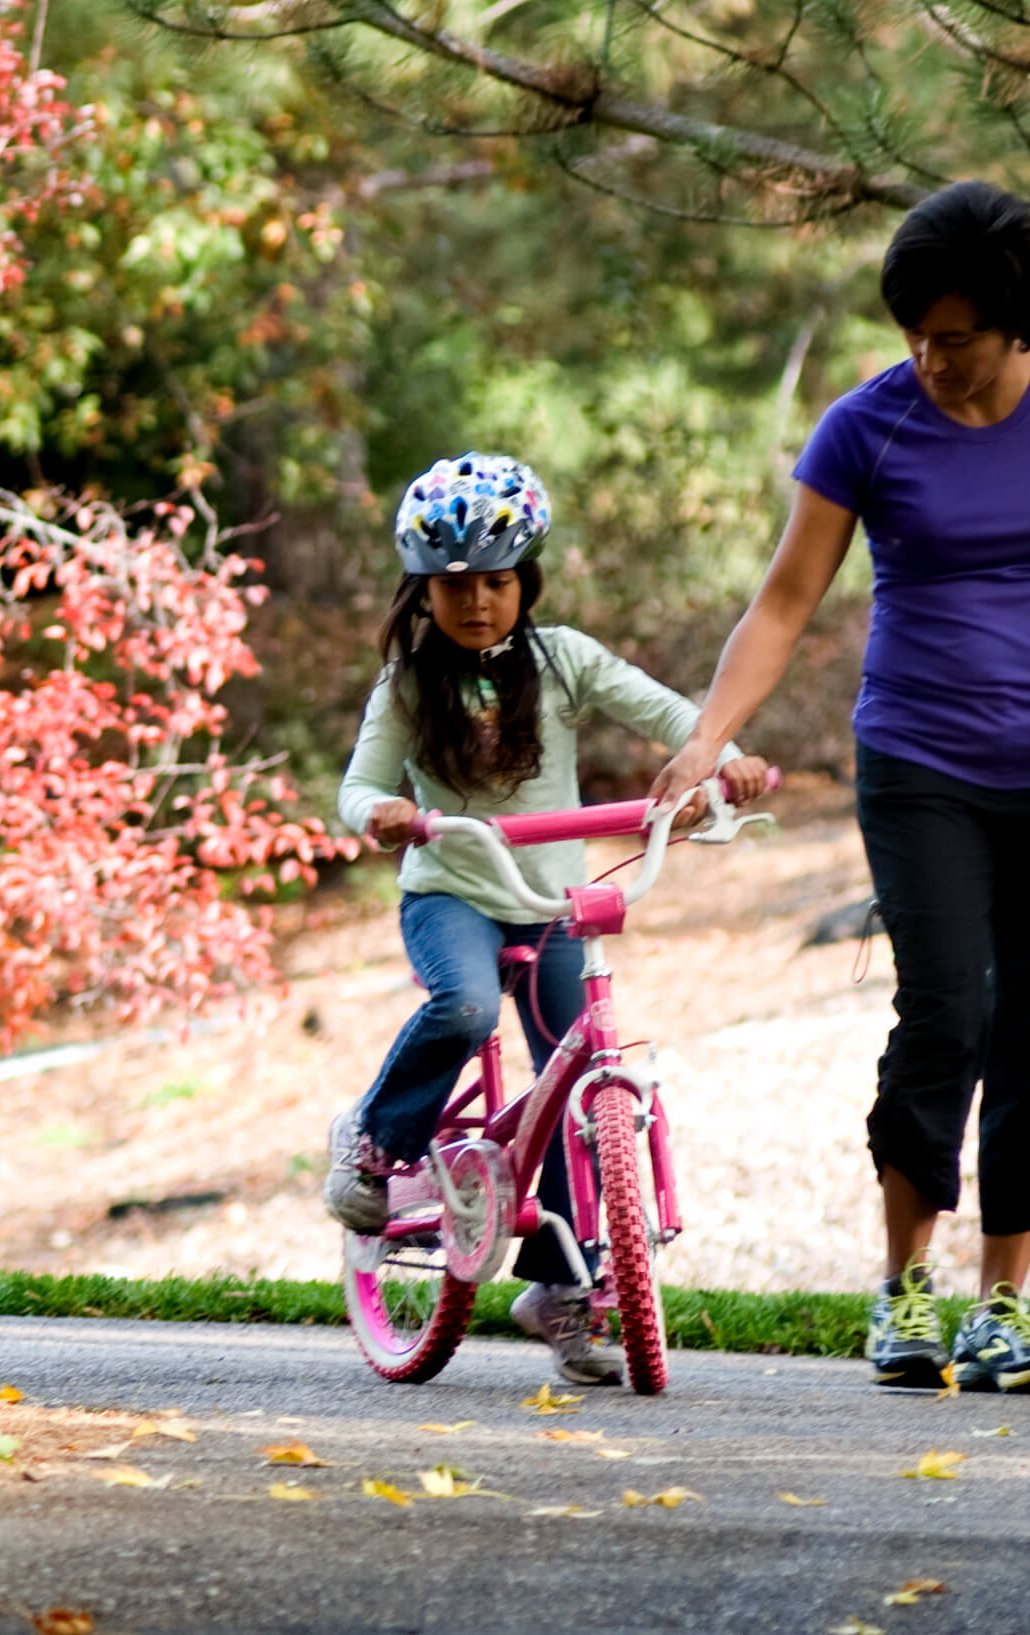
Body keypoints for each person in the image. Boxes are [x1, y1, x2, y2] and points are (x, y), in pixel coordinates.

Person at [645, 181, 1030, 1396]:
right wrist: (702, 737)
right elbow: (784, 600)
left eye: (954, 338)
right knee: (948, 1007)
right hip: (921, 760)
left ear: (1020, 328)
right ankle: (902, 1293)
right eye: (913, 335)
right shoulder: (865, 424)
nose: (927, 358)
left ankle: (1004, 1306)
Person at [324, 453, 774, 1386]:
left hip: (556, 901)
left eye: (497, 581)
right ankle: (373, 1141)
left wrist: (716, 751)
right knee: (465, 1009)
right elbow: (360, 781)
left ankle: (559, 1288)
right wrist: (380, 813)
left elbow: (661, 709)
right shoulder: (409, 682)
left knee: (578, 1075)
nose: (478, 601)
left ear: (525, 579)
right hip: (453, 892)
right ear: (423, 592)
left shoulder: (563, 658)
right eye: (454, 586)